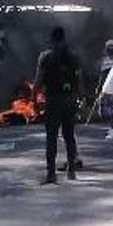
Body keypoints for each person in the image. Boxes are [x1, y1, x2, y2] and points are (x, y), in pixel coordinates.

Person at [34, 27, 82, 184]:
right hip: (69, 100)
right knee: (69, 136)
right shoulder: (73, 56)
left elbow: (38, 81)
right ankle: (71, 171)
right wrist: (79, 97)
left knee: (52, 138)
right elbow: (79, 79)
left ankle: (51, 173)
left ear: (52, 39)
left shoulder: (45, 56)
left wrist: (35, 100)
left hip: (53, 101)